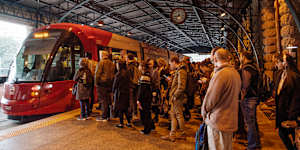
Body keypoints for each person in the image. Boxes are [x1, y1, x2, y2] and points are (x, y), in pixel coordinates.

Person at [201, 48, 241, 150]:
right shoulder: (235, 73)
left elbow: (211, 100)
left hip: (218, 120)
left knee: (216, 147)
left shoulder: (221, 74)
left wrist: (204, 112)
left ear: (215, 58)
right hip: (230, 119)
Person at [275, 54, 300, 150]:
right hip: (282, 111)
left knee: (295, 137)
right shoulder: (279, 75)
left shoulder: (294, 76)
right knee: (282, 133)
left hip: (291, 112)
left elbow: (296, 97)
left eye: (282, 60)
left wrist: (293, 116)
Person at [161, 56, 187, 142]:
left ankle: (182, 134)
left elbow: (181, 86)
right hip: (175, 97)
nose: (170, 65)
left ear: (174, 62)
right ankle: (172, 134)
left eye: (170, 64)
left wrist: (175, 95)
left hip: (177, 97)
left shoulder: (181, 71)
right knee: (174, 115)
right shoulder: (178, 71)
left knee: (178, 115)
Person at [240, 51, 261, 150]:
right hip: (254, 97)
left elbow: (246, 84)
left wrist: (242, 97)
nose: (240, 58)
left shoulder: (246, 68)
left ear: (243, 57)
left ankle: (252, 146)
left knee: (249, 123)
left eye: (240, 56)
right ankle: (256, 143)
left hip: (249, 98)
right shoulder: (254, 67)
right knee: (253, 122)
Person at [95, 51, 115, 121]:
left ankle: (104, 116)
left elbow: (97, 74)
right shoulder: (112, 63)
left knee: (103, 100)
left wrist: (96, 83)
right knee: (108, 100)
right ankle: (109, 115)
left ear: (103, 55)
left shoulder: (101, 62)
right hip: (110, 84)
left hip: (102, 84)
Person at [112, 61, 132, 128]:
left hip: (120, 93)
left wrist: (112, 91)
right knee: (126, 108)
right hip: (126, 93)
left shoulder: (119, 74)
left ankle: (121, 123)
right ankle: (129, 122)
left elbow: (115, 84)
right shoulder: (127, 73)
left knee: (120, 108)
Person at [137, 62, 155, 134]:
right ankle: (151, 126)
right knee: (147, 112)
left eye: (139, 66)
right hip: (148, 97)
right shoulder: (148, 75)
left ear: (142, 67)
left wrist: (138, 100)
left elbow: (142, 90)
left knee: (144, 114)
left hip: (144, 99)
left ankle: (146, 129)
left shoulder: (144, 77)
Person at [127, 54, 140, 120]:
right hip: (136, 85)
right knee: (134, 100)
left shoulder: (129, 66)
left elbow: (129, 77)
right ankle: (135, 113)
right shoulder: (136, 65)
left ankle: (131, 114)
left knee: (131, 100)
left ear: (128, 58)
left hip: (131, 85)